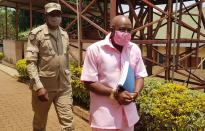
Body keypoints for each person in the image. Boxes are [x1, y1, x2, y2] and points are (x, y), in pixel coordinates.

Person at [81, 15, 148, 131]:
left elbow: (140, 75)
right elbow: (88, 81)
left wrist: (136, 92)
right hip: (105, 117)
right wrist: (115, 93)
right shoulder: (95, 50)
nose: (126, 33)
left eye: (129, 30)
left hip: (128, 116)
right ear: (112, 30)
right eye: (122, 29)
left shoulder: (134, 49)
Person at [26, 2, 74, 131]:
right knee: (40, 124)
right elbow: (31, 62)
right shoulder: (37, 34)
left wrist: (69, 80)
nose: (55, 17)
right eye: (52, 14)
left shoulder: (64, 34)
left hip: (63, 87)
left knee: (68, 124)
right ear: (45, 16)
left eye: (58, 14)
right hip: (44, 87)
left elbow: (66, 59)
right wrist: (38, 87)